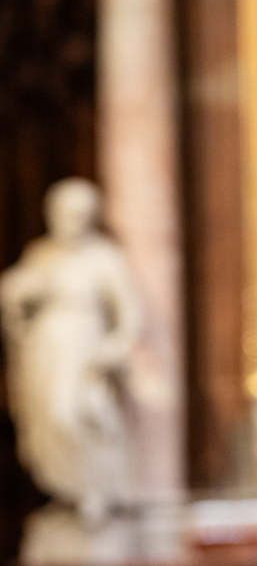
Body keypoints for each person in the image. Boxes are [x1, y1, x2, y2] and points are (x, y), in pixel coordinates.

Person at [0, 178, 141, 529]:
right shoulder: (41, 254)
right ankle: (68, 492)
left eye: (80, 214)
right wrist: (18, 296)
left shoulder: (103, 256)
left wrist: (115, 346)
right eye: (65, 213)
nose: (72, 222)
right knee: (46, 420)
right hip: (45, 351)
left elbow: (130, 311)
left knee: (72, 413)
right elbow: (14, 298)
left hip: (83, 346)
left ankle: (96, 489)